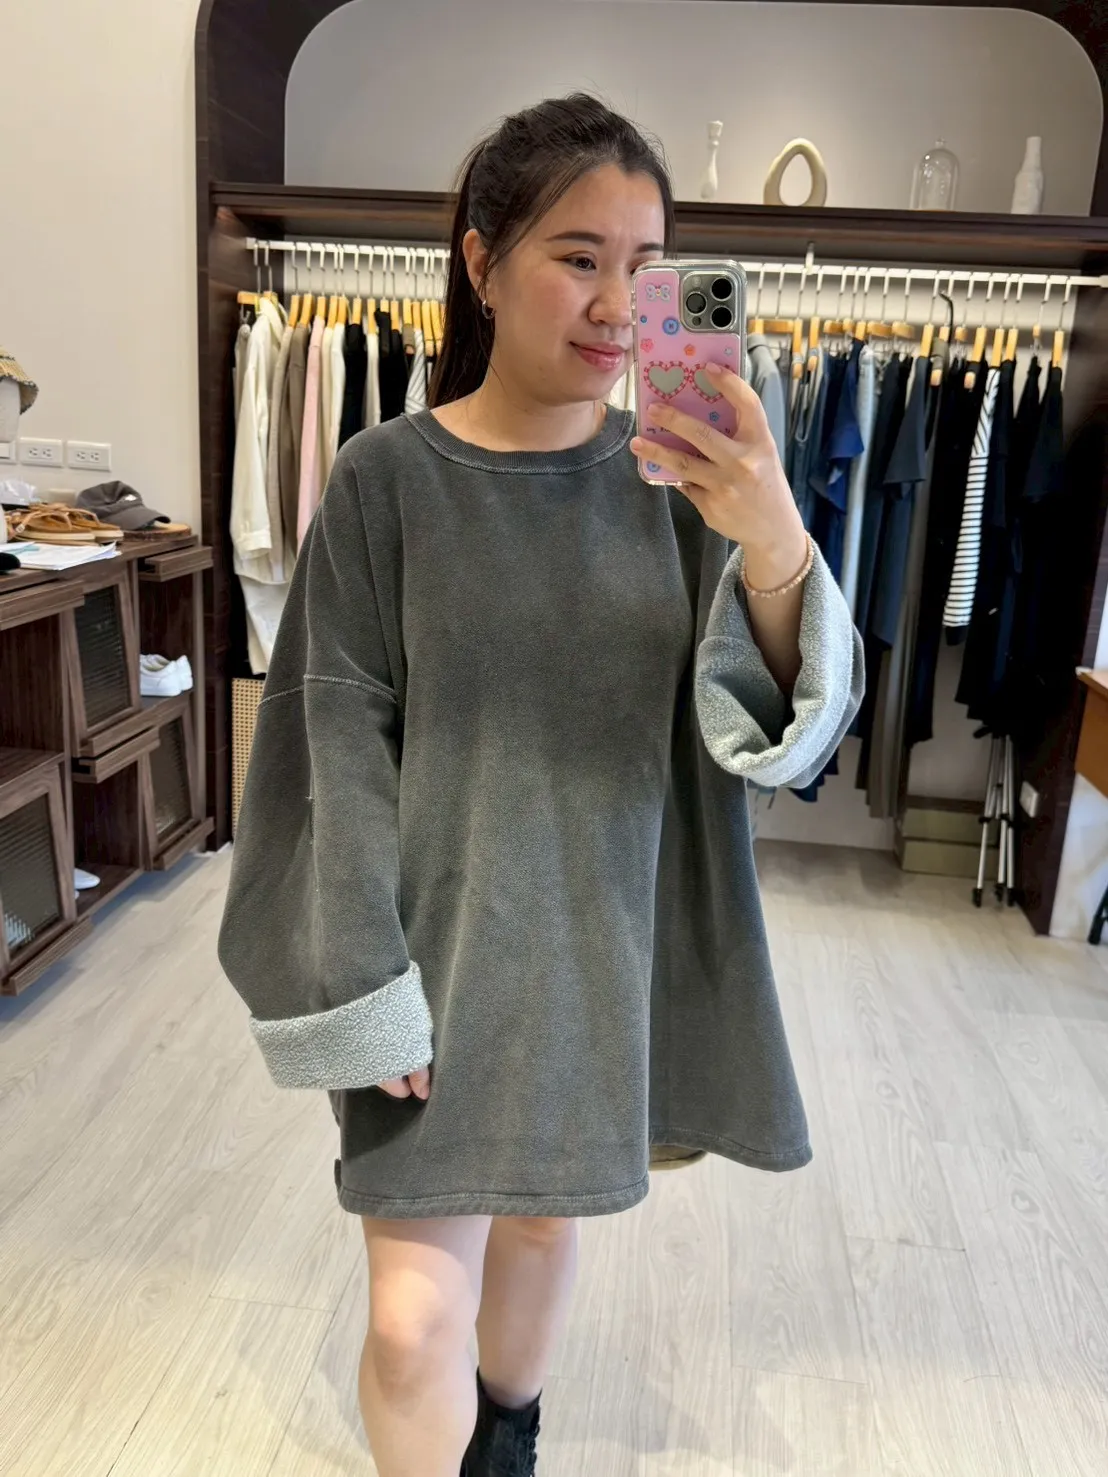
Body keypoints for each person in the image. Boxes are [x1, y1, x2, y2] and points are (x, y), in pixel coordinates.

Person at [218, 93, 863, 1477]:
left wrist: (771, 540)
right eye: (578, 257)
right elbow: (332, 742)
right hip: (430, 963)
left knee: (540, 1223)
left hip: (596, 952)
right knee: (410, 1326)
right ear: (482, 263)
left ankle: (508, 1437)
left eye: (647, 266)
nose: (618, 304)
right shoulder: (386, 482)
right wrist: (359, 979)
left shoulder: (686, 488)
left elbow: (775, 734)